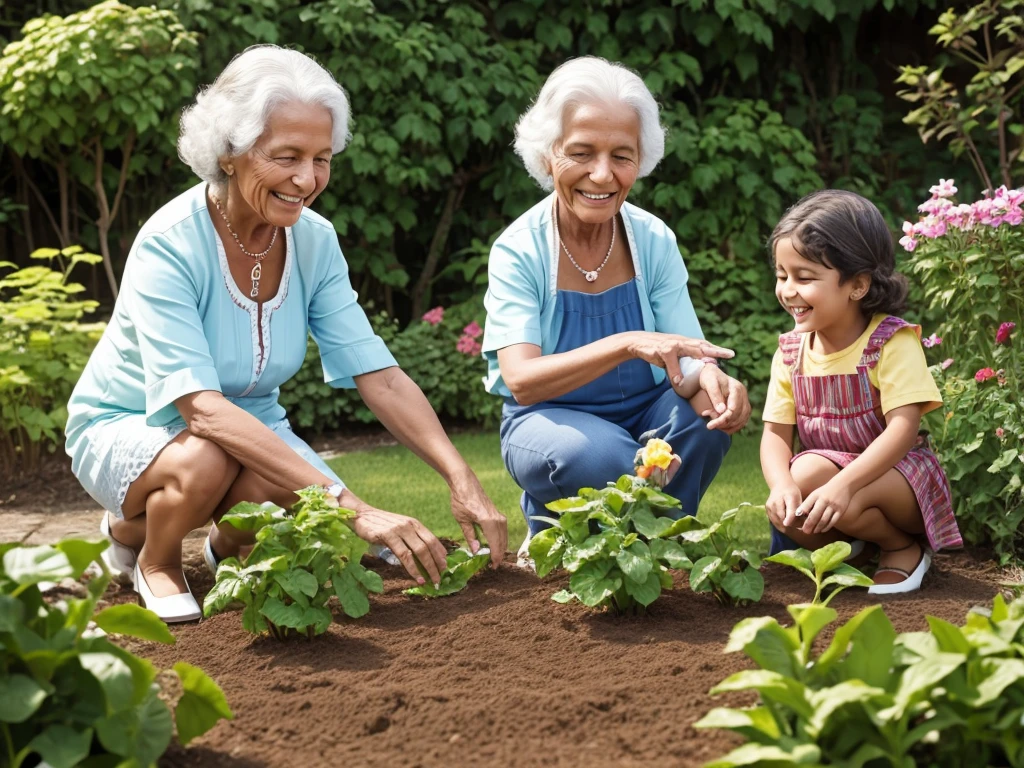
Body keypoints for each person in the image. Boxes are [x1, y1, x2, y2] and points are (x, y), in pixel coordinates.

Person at [65, 46, 507, 623]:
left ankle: (218, 545)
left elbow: (379, 374)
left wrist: (460, 475)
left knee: (283, 490)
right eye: (287, 156)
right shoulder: (168, 244)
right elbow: (200, 410)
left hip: (248, 427)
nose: (308, 179)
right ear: (229, 153)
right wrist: (355, 507)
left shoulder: (314, 241)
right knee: (211, 464)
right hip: (135, 423)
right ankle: (155, 558)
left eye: (322, 158)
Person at [481, 56, 751, 564]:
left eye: (621, 156)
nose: (602, 174)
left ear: (641, 159)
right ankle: (561, 526)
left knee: (705, 421)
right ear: (547, 156)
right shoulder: (519, 249)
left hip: (646, 410)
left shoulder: (652, 238)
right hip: (548, 419)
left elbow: (688, 357)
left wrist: (716, 382)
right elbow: (522, 380)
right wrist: (626, 342)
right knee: (599, 456)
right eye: (581, 152)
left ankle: (647, 550)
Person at [761, 189, 962, 594]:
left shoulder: (890, 342)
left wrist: (844, 484)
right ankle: (858, 550)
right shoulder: (791, 352)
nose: (787, 290)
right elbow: (774, 435)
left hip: (899, 477)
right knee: (797, 486)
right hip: (837, 477)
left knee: (842, 497)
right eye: (782, 276)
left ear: (856, 285)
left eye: (804, 277)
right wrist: (781, 486)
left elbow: (902, 430)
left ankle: (902, 547)